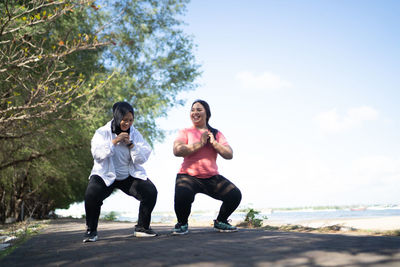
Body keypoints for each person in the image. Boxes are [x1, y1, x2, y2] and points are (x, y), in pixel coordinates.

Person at [83, 101, 158, 242]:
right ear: (117, 117)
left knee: (150, 192)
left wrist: (131, 145)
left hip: (127, 176)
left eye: (130, 120)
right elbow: (97, 155)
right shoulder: (102, 132)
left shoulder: (135, 134)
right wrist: (115, 140)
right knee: (91, 195)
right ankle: (91, 231)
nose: (127, 123)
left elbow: (142, 157)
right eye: (124, 120)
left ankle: (142, 227)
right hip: (105, 175)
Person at [172, 99, 242, 234]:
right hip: (188, 175)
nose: (195, 112)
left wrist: (214, 143)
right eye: (192, 110)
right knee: (182, 195)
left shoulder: (215, 133)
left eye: (199, 110)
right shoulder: (185, 132)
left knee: (234, 195)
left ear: (207, 114)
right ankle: (182, 223)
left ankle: (221, 221)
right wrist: (201, 143)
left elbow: (229, 154)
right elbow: (177, 150)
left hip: (211, 177)